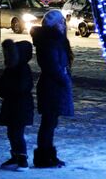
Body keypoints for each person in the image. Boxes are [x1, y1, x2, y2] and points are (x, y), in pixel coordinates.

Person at [31, 10, 74, 168]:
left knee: (51, 122)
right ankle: (44, 156)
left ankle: (47, 154)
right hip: (52, 86)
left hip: (54, 85)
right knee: (48, 123)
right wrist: (64, 79)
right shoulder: (50, 41)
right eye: (61, 22)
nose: (64, 25)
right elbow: (52, 65)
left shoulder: (54, 40)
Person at [0, 39, 36, 168]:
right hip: (13, 106)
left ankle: (22, 158)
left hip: (20, 107)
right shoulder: (12, 68)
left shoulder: (22, 69)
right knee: (12, 133)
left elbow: (20, 88)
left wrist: (2, 85)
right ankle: (16, 156)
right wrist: (0, 86)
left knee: (17, 133)